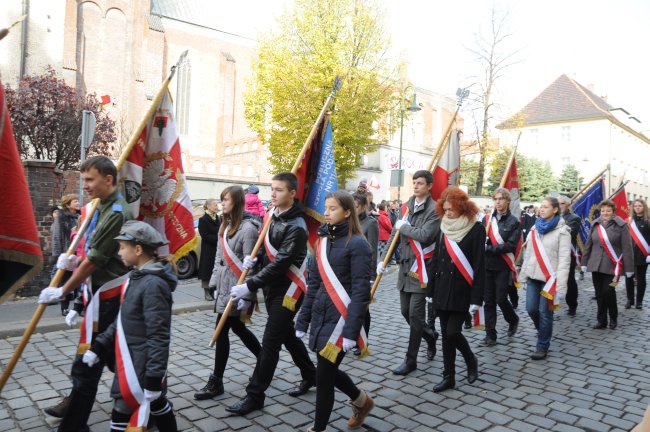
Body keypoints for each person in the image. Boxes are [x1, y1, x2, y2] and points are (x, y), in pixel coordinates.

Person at [39, 156, 132, 431]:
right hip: (98, 294)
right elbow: (88, 255)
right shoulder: (98, 207)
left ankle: (74, 425)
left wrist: (62, 291)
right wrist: (72, 264)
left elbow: (95, 261)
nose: (86, 186)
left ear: (108, 179)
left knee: (87, 365)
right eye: (84, 180)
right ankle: (149, 396)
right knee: (115, 360)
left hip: (110, 297)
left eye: (90, 180)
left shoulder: (115, 212)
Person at [226, 172, 316, 415]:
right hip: (273, 288)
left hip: (289, 291)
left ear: (292, 194)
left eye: (279, 190)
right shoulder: (273, 216)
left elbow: (281, 264)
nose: (273, 193)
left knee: (270, 343)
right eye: (272, 189)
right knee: (287, 335)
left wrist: (250, 285)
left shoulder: (296, 226)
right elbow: (268, 255)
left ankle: (255, 395)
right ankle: (311, 374)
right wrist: (253, 261)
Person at [83, 221, 178, 432]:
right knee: (158, 405)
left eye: (122, 247)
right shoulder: (137, 278)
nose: (119, 253)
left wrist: (154, 377)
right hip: (130, 360)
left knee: (122, 412)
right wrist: (99, 346)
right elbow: (123, 320)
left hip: (141, 367)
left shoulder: (153, 285)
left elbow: (158, 336)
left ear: (137, 249)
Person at [296, 191, 374, 432]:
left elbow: (362, 292)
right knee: (325, 370)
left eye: (333, 209)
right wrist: (303, 320)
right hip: (322, 314)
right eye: (326, 208)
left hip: (344, 319)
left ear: (348, 212)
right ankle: (362, 401)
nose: (326, 213)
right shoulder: (322, 242)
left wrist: (351, 332)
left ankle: (318, 428)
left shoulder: (358, 244)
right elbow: (315, 286)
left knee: (324, 376)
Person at [194, 186, 261, 400]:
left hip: (237, 288)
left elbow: (251, 266)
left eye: (226, 200)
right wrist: (213, 285)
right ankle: (264, 360)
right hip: (223, 286)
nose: (222, 204)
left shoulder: (248, 229)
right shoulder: (225, 224)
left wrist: (247, 296)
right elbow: (218, 258)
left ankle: (217, 381)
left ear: (238, 203)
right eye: (221, 200)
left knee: (222, 330)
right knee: (238, 329)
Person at [377, 170, 438, 375]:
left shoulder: (434, 209)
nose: (416, 186)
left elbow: (425, 235)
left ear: (429, 185)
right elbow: (395, 234)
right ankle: (430, 336)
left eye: (420, 183)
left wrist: (404, 227)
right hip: (404, 268)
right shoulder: (406, 207)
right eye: (414, 182)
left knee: (414, 314)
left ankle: (410, 360)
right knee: (406, 313)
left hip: (421, 269)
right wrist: (384, 260)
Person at [430, 186, 483, 392]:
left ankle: (470, 358)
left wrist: (477, 298)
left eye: (451, 209)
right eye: (445, 209)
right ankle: (448, 376)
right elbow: (436, 260)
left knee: (453, 332)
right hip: (442, 289)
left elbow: (479, 265)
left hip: (463, 290)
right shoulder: (444, 226)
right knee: (445, 334)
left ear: (462, 207)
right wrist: (430, 291)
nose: (447, 213)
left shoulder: (476, 229)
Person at [519, 197, 571, 359]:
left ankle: (542, 345)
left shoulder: (563, 231)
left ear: (555, 210)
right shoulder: (535, 228)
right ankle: (543, 330)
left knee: (544, 312)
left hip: (551, 279)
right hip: (534, 275)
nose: (541, 209)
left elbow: (564, 260)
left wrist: (561, 286)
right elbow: (529, 254)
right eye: (540, 207)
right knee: (531, 309)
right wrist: (523, 273)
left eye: (546, 207)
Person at [582, 199, 634, 330]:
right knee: (599, 293)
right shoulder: (595, 224)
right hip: (595, 264)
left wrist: (629, 268)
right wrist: (584, 262)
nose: (605, 213)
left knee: (608, 292)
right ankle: (602, 321)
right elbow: (588, 245)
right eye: (603, 210)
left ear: (613, 212)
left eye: (608, 210)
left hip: (612, 265)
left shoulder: (621, 225)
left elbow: (627, 248)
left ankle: (613, 317)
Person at [481, 188, 521, 346]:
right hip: (486, 265)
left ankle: (513, 319)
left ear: (507, 201)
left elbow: (510, 245)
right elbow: (480, 238)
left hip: (502, 266)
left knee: (501, 299)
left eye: (501, 199)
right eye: (495, 199)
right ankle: (490, 336)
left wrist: (489, 248)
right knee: (488, 301)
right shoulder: (487, 220)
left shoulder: (514, 222)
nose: (498, 202)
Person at [51, 194, 81, 315]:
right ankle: (64, 307)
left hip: (78, 252)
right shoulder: (61, 217)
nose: (78, 203)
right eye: (75, 201)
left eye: (78, 200)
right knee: (65, 281)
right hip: (66, 252)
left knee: (79, 280)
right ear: (68, 204)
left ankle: (79, 307)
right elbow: (57, 236)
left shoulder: (80, 216)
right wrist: (58, 255)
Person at [558, 195, 582, 316]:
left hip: (567, 253)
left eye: (562, 203)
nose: (559, 205)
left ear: (568, 205)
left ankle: (572, 305)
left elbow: (569, 233)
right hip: (552, 253)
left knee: (569, 281)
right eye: (557, 203)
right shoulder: (552, 216)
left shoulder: (574, 218)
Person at [626, 199, 650, 309]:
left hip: (643, 254)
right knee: (629, 277)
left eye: (640, 206)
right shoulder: (628, 221)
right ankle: (629, 300)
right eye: (635, 206)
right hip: (630, 254)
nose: (637, 207)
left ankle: (639, 301)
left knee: (641, 279)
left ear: (644, 207)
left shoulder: (648, 221)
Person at [198, 198, 221, 300]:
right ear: (209, 206)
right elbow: (205, 235)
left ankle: (214, 291)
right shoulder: (203, 219)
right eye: (215, 205)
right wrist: (218, 239)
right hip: (208, 249)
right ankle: (206, 291)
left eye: (217, 205)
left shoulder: (218, 218)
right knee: (206, 271)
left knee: (215, 269)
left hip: (217, 249)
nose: (217, 207)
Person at [354, 193, 379, 280]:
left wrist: (372, 275)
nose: (353, 209)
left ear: (364, 207)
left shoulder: (371, 223)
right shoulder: (347, 221)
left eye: (356, 207)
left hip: (362, 268)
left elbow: (372, 250)